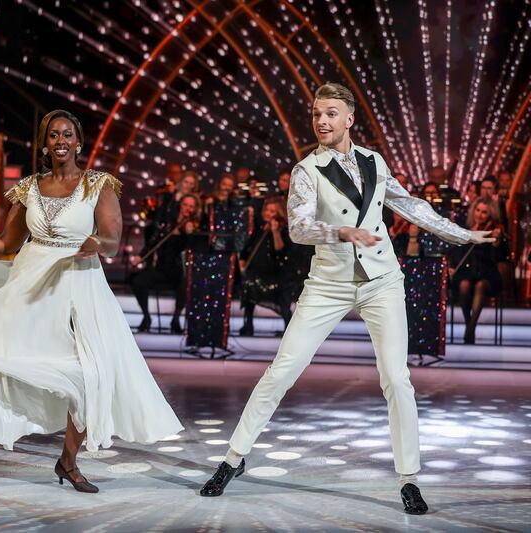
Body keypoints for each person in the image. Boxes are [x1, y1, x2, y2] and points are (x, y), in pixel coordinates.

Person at [199, 83, 494, 514]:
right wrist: (338, 231)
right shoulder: (307, 170)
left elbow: (410, 205)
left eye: (331, 113)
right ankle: (233, 458)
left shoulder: (374, 160)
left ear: (349, 118)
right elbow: (298, 228)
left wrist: (463, 233)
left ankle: (409, 478)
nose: (322, 121)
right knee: (282, 371)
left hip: (381, 279)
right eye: (317, 113)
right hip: (329, 283)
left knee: (396, 378)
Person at [0, 110, 183, 494]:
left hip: (79, 288)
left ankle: (68, 462)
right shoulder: (28, 188)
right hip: (29, 287)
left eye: (67, 134)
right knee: (3, 372)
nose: (61, 141)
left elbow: (112, 238)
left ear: (78, 142)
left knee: (92, 376)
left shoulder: (97, 185)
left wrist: (96, 245)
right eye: (53, 135)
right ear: (44, 144)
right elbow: (5, 245)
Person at [131, 194, 200, 333]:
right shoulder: (168, 223)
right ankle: (146, 317)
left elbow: (193, 249)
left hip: (180, 270)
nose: (188, 208)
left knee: (186, 281)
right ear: (180, 205)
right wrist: (140, 256)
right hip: (162, 269)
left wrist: (189, 234)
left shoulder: (194, 226)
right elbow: (153, 242)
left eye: (191, 206)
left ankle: (176, 318)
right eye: (186, 205)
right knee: (138, 281)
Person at [238, 197, 302, 336]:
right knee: (249, 286)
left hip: (278, 275)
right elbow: (248, 247)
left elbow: (281, 251)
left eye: (272, 211)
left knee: (282, 297)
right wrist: (242, 260)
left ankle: (288, 329)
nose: (268, 213)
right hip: (258, 273)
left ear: (279, 213)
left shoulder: (285, 229)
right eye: (267, 210)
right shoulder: (259, 228)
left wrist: (275, 232)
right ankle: (248, 325)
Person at [448, 197, 509, 344]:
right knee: (464, 285)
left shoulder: (493, 231)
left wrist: (497, 242)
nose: (480, 215)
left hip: (487, 274)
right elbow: (455, 251)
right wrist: (451, 266)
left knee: (480, 286)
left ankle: (471, 328)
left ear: (490, 215)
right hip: (465, 272)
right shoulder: (464, 228)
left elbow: (500, 256)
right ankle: (469, 322)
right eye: (478, 210)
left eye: (484, 212)